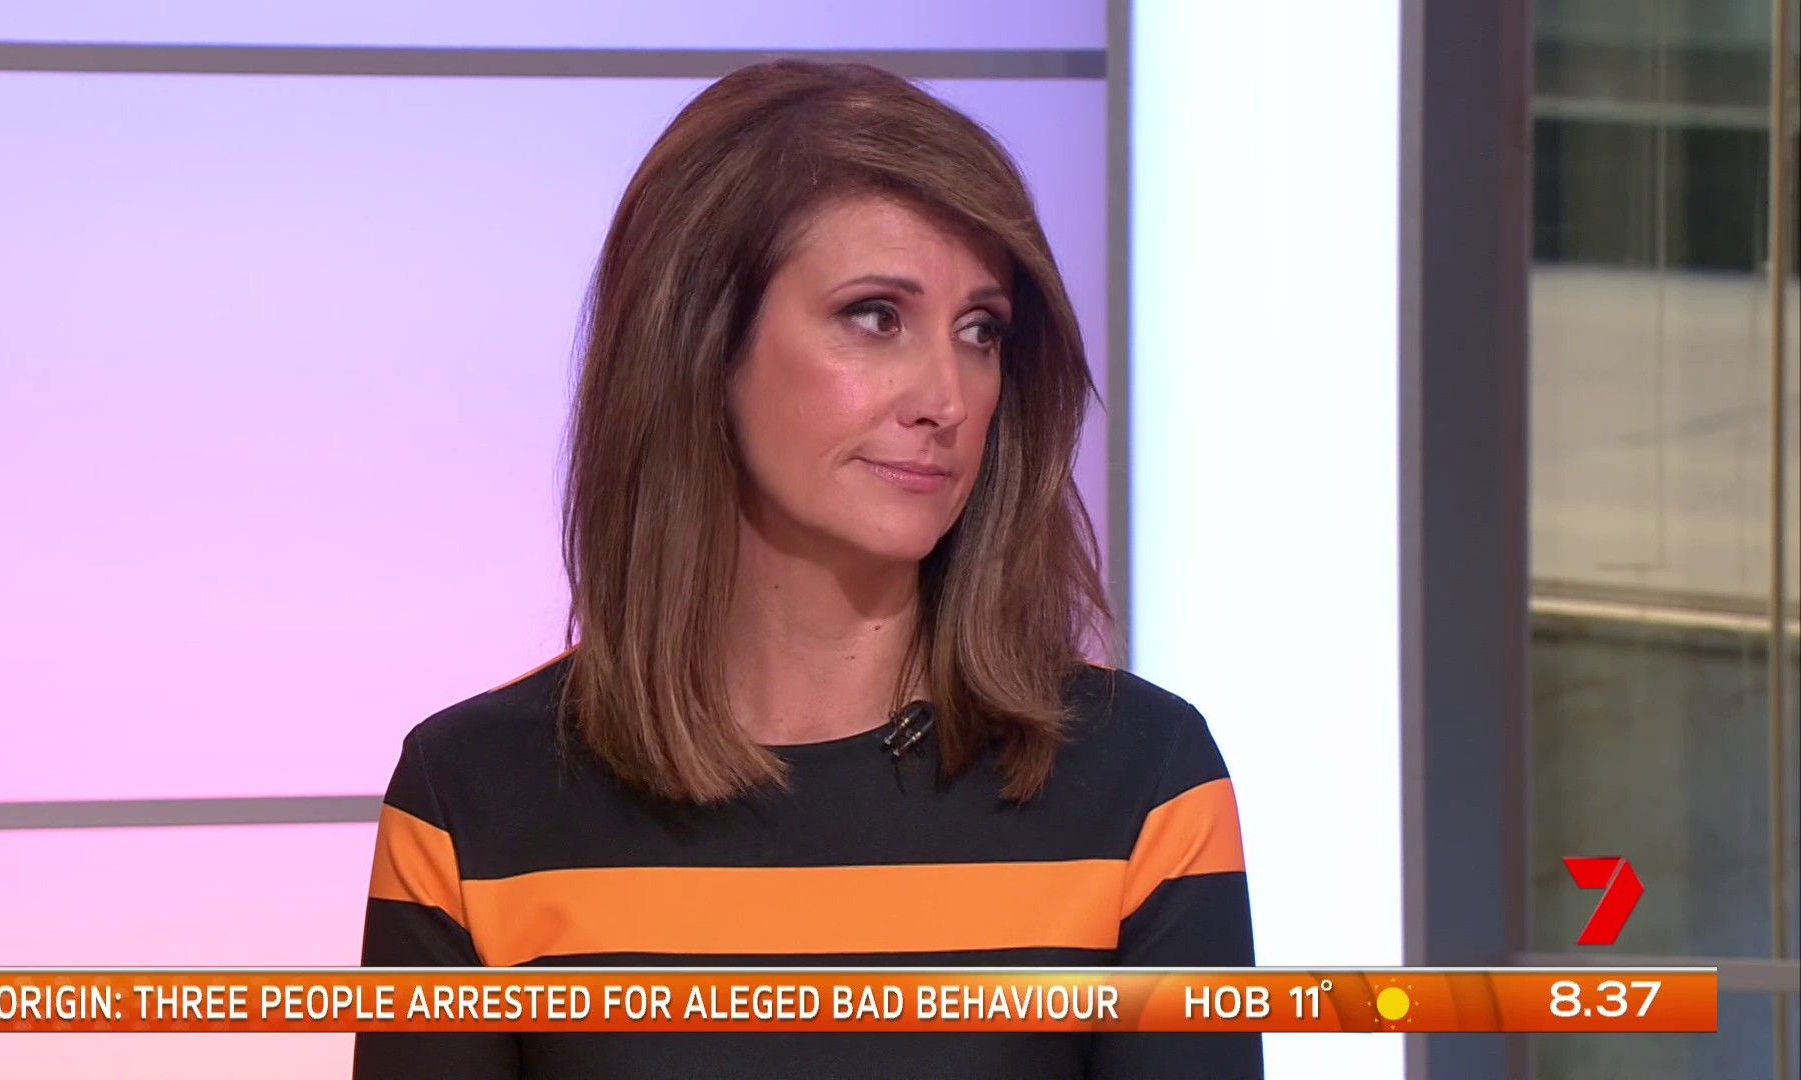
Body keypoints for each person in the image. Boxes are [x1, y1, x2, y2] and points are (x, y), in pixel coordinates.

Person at [354, 58, 1261, 1079]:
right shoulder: (474, 803)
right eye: (876, 316)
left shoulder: (1142, 787)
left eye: (981, 332)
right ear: (702, 345)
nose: (947, 398)